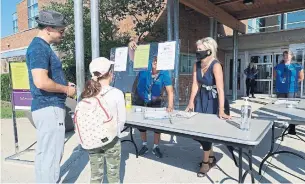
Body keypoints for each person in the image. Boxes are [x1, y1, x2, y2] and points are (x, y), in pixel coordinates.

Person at [26, 10, 76, 183]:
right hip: (49, 107)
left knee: (45, 155)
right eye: (61, 31)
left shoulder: (40, 47)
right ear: (48, 28)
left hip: (45, 107)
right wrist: (65, 90)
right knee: (51, 157)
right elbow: (41, 81)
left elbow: (44, 79)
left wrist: (64, 84)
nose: (63, 34)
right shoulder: (39, 47)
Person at [185, 37, 231, 177]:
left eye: (200, 50)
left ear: (209, 51)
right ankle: (210, 157)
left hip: (214, 99)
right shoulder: (196, 65)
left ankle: (205, 163)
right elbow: (195, 84)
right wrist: (191, 102)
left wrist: (221, 109)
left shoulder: (216, 65)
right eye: (197, 49)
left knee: (207, 132)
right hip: (201, 99)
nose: (197, 52)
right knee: (199, 130)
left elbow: (221, 89)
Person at [80, 57, 126, 183]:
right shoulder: (117, 93)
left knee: (95, 175)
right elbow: (121, 121)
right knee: (113, 176)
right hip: (111, 139)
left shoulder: (86, 93)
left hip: (93, 140)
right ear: (110, 73)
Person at [129, 41, 174, 158]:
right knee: (141, 124)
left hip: (155, 99)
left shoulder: (165, 73)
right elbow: (133, 59)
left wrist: (170, 106)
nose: (155, 62)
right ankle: (144, 145)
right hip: (141, 96)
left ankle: (156, 147)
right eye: (154, 59)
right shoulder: (146, 64)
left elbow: (170, 91)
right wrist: (131, 48)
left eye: (158, 61)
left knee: (157, 125)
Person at [274, 50, 304, 135]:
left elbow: (301, 77)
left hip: (291, 90)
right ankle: (283, 123)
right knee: (281, 107)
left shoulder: (297, 66)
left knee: (291, 108)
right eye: (284, 55)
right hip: (280, 90)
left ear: (291, 56)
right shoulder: (278, 66)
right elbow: (275, 76)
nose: (286, 57)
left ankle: (291, 127)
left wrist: (293, 82)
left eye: (287, 55)